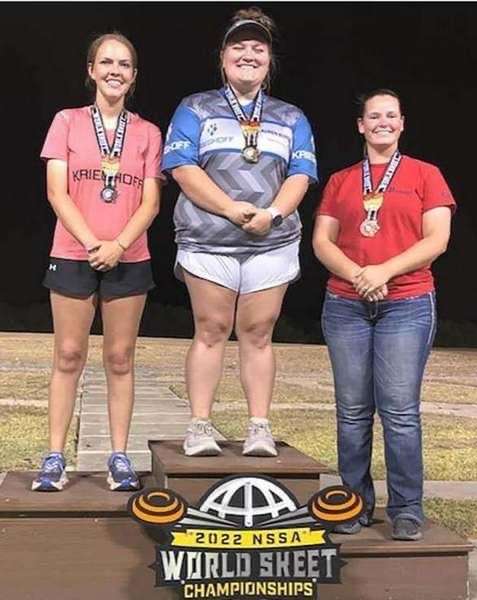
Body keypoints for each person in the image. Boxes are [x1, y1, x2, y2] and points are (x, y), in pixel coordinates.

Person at [162, 7, 317, 457]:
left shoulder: (291, 117)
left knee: (259, 331)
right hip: (208, 238)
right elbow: (181, 167)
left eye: (258, 48)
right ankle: (199, 426)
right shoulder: (195, 107)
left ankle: (259, 427)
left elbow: (301, 175)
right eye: (239, 46)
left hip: (271, 240)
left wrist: (272, 213)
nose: (248, 54)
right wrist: (230, 209)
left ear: (269, 60)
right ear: (223, 56)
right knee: (211, 328)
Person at [313, 89, 455, 540]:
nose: (382, 122)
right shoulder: (341, 180)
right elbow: (322, 241)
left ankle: (407, 508)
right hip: (346, 305)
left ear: (402, 123)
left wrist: (383, 271)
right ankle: (353, 505)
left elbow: (437, 240)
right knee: (352, 413)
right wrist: (358, 275)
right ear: (361, 125)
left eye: (390, 116)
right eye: (373, 116)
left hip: (407, 303)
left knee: (399, 412)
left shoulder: (425, 175)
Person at [32, 32, 163, 492]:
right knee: (68, 355)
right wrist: (94, 244)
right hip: (73, 252)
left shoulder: (147, 132)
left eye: (124, 64)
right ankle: (53, 457)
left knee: (120, 358)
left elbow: (150, 203)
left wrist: (119, 245)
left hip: (130, 255)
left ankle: (119, 456)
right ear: (91, 70)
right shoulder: (66, 121)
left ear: (133, 76)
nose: (115, 70)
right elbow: (56, 191)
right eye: (106, 62)